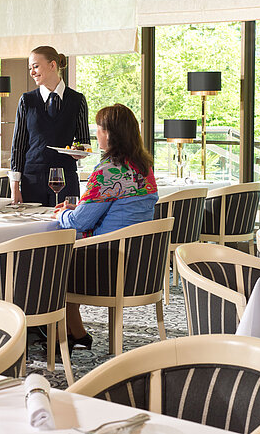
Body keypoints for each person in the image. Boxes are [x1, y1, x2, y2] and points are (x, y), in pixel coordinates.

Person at [53, 104, 159, 350]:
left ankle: (58, 332)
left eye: (98, 129)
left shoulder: (107, 171)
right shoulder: (143, 168)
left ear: (110, 133)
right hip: (139, 263)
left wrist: (61, 214)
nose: (96, 134)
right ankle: (76, 332)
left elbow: (80, 222)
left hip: (107, 265)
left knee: (51, 264)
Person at [10, 46, 90, 206]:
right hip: (32, 179)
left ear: (53, 65)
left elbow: (84, 141)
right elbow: (18, 145)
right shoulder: (27, 101)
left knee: (65, 228)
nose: (32, 72)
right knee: (33, 229)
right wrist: (15, 186)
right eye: (30, 68)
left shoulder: (77, 100)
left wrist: (79, 151)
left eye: (36, 66)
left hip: (66, 179)